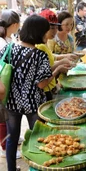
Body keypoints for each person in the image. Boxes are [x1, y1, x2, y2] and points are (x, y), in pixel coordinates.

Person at [0, 14, 66, 171]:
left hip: (11, 102)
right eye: (45, 31)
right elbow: (42, 83)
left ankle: (11, 169)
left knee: (11, 139)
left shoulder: (9, 48)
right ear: (38, 33)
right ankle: (39, 167)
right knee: (39, 138)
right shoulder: (40, 55)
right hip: (33, 103)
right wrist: (58, 69)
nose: (46, 35)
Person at [37, 9, 77, 100]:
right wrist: (60, 66)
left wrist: (66, 57)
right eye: (51, 28)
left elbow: (51, 56)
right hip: (47, 89)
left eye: (55, 27)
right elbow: (42, 80)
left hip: (53, 85)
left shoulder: (45, 43)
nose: (54, 31)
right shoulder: (40, 46)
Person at [0, 10, 22, 160]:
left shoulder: (8, 38)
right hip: (2, 85)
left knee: (6, 116)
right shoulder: (1, 42)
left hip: (7, 83)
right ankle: (4, 147)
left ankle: (10, 139)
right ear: (14, 24)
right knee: (2, 118)